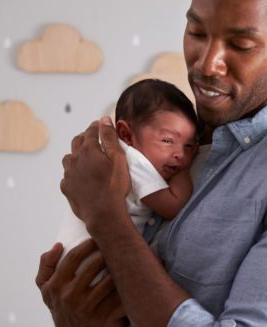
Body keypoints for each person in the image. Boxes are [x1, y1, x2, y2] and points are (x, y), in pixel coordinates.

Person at [36, 0, 267, 326]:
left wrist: (105, 217)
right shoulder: (163, 142)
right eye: (197, 33)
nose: (206, 64)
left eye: (241, 44)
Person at [57, 79, 199, 265]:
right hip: (90, 260)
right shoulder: (133, 161)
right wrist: (184, 172)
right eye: (167, 140)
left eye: (189, 146)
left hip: (76, 256)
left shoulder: (115, 153)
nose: (180, 154)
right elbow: (173, 206)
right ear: (126, 134)